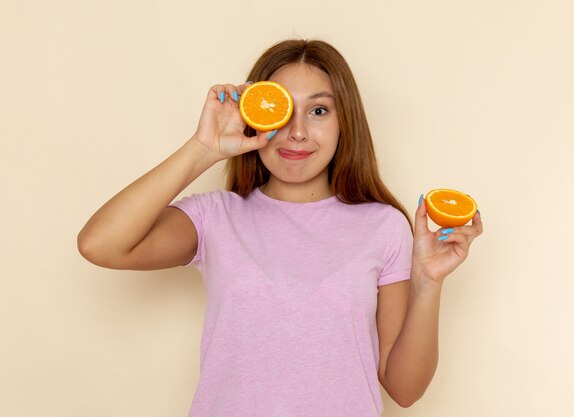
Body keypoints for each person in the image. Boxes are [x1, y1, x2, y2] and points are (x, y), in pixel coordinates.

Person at [77, 38, 483, 417]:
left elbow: (405, 389)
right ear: (254, 117)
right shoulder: (215, 217)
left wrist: (428, 283)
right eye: (283, 110)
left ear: (346, 123)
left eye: (319, 110)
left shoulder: (383, 226)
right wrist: (203, 149)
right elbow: (100, 244)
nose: (298, 132)